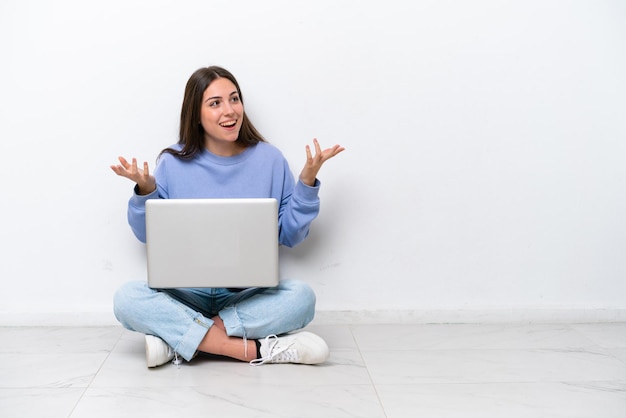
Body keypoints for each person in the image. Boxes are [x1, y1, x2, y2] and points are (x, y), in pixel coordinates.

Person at [110, 66, 344, 368]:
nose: (229, 110)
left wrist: (307, 185)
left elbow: (290, 235)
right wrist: (145, 191)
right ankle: (250, 350)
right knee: (126, 299)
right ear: (196, 113)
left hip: (246, 296)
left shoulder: (269, 159)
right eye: (215, 103)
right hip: (185, 294)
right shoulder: (171, 162)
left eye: (234, 99)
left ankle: (180, 342)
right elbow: (147, 235)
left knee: (302, 297)